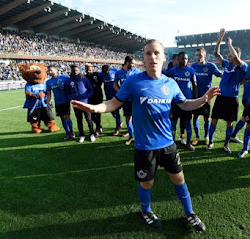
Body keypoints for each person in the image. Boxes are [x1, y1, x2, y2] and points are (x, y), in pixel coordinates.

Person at [72, 39, 220, 232]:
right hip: (144, 146)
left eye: (156, 53)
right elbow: (114, 103)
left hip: (167, 143)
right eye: (148, 53)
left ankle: (190, 213)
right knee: (147, 182)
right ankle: (146, 211)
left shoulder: (171, 83)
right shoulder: (133, 82)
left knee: (179, 179)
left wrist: (203, 99)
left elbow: (184, 104)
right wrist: (95, 108)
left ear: (164, 57)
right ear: (143, 58)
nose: (152, 57)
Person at [207, 28, 248, 154]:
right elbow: (216, 53)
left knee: (229, 123)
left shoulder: (242, 65)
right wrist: (220, 38)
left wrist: (230, 43)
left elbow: (236, 58)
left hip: (232, 98)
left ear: (237, 56)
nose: (229, 57)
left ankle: (226, 144)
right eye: (229, 55)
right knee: (214, 120)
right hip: (221, 96)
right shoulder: (226, 64)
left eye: (231, 55)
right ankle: (211, 142)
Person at [190, 48, 222, 146]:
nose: (198, 57)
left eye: (200, 55)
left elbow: (221, 75)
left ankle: (206, 136)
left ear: (205, 56)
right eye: (196, 55)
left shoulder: (210, 66)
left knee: (206, 118)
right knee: (195, 117)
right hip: (195, 97)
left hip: (207, 97)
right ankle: (197, 136)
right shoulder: (193, 66)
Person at [168, 51, 197, 151]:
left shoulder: (191, 70)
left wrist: (195, 99)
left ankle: (188, 143)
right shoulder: (172, 71)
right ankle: (172, 143)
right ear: (178, 59)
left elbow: (194, 85)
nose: (184, 60)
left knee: (188, 123)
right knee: (173, 123)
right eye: (182, 58)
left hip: (187, 102)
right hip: (175, 103)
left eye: (185, 59)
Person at [114, 56, 140, 145]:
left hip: (136, 99)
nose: (133, 65)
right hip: (126, 100)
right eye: (132, 63)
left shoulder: (136, 72)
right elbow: (115, 84)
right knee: (128, 118)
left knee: (137, 118)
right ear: (127, 62)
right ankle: (131, 137)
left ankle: (139, 136)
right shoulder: (119, 73)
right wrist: (121, 93)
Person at [65, 64, 95, 143]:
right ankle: (82, 135)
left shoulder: (84, 79)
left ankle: (92, 134)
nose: (75, 72)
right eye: (73, 70)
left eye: (76, 70)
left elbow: (91, 90)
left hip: (85, 103)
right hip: (76, 104)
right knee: (79, 120)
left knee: (88, 119)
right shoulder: (68, 81)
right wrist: (70, 99)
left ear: (79, 70)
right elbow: (67, 93)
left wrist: (86, 96)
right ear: (71, 70)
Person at [46, 65, 75, 140]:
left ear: (56, 70)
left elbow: (72, 86)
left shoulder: (64, 78)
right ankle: (67, 133)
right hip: (57, 102)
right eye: (49, 71)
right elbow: (49, 93)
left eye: (51, 70)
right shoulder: (48, 82)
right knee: (62, 118)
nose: (50, 72)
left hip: (65, 101)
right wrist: (48, 102)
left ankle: (72, 132)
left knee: (67, 116)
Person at [164, 54, 186, 145]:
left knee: (183, 121)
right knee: (172, 121)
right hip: (172, 101)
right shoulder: (169, 71)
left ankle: (182, 137)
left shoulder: (185, 70)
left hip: (183, 100)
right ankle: (171, 138)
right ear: (174, 60)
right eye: (178, 59)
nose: (180, 61)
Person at [98, 65, 123, 135]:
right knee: (111, 111)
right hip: (108, 95)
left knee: (116, 111)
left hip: (116, 94)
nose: (106, 73)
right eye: (105, 73)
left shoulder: (115, 71)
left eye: (107, 72)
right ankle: (119, 122)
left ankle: (117, 128)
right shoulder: (100, 75)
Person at [85, 63, 103, 137]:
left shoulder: (97, 74)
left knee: (98, 114)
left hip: (98, 96)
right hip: (90, 98)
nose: (88, 69)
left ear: (93, 68)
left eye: (89, 68)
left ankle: (97, 130)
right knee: (92, 116)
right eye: (87, 68)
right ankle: (99, 126)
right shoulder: (85, 77)